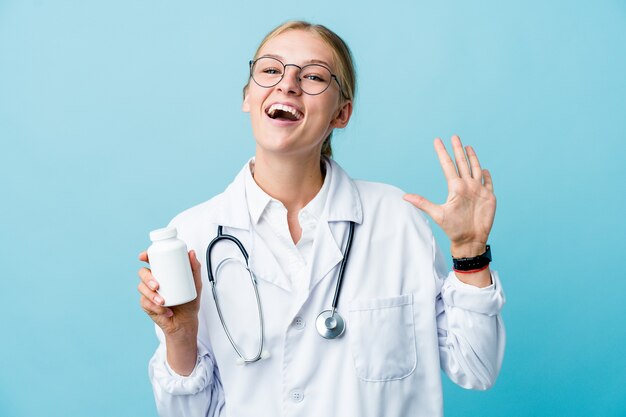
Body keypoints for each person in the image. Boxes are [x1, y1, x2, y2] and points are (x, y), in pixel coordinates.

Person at [137, 20, 505, 417]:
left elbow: (476, 368)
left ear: (341, 114)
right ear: (248, 97)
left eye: (312, 75)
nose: (288, 83)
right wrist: (181, 334)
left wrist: (470, 253)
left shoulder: (397, 219)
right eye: (270, 70)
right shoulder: (195, 234)